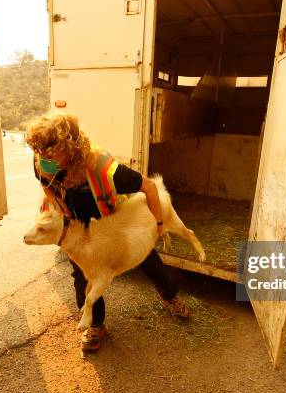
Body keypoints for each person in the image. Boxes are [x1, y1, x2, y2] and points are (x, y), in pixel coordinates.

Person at [24, 112, 190, 351]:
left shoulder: (105, 168)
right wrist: (55, 200)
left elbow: (150, 187)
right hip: (77, 216)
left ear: (70, 149)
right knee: (82, 271)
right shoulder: (42, 159)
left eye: (50, 154)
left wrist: (159, 224)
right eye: (40, 153)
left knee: (147, 258)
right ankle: (96, 324)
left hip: (111, 213)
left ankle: (168, 295)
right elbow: (44, 181)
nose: (43, 159)